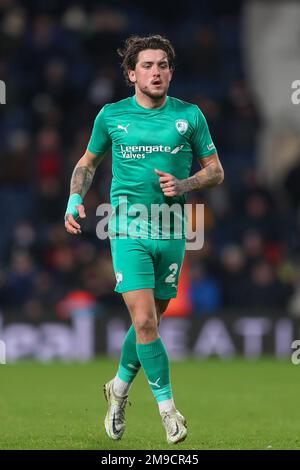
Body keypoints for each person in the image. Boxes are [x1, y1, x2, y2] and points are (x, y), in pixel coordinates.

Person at [64, 34, 224, 445]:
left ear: (171, 72)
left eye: (163, 66)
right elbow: (88, 162)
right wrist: (74, 198)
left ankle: (118, 389)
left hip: (172, 231)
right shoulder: (111, 116)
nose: (157, 72)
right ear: (132, 74)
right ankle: (169, 412)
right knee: (144, 321)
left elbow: (216, 171)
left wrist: (185, 182)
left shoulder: (189, 116)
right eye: (148, 66)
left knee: (148, 323)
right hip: (127, 227)